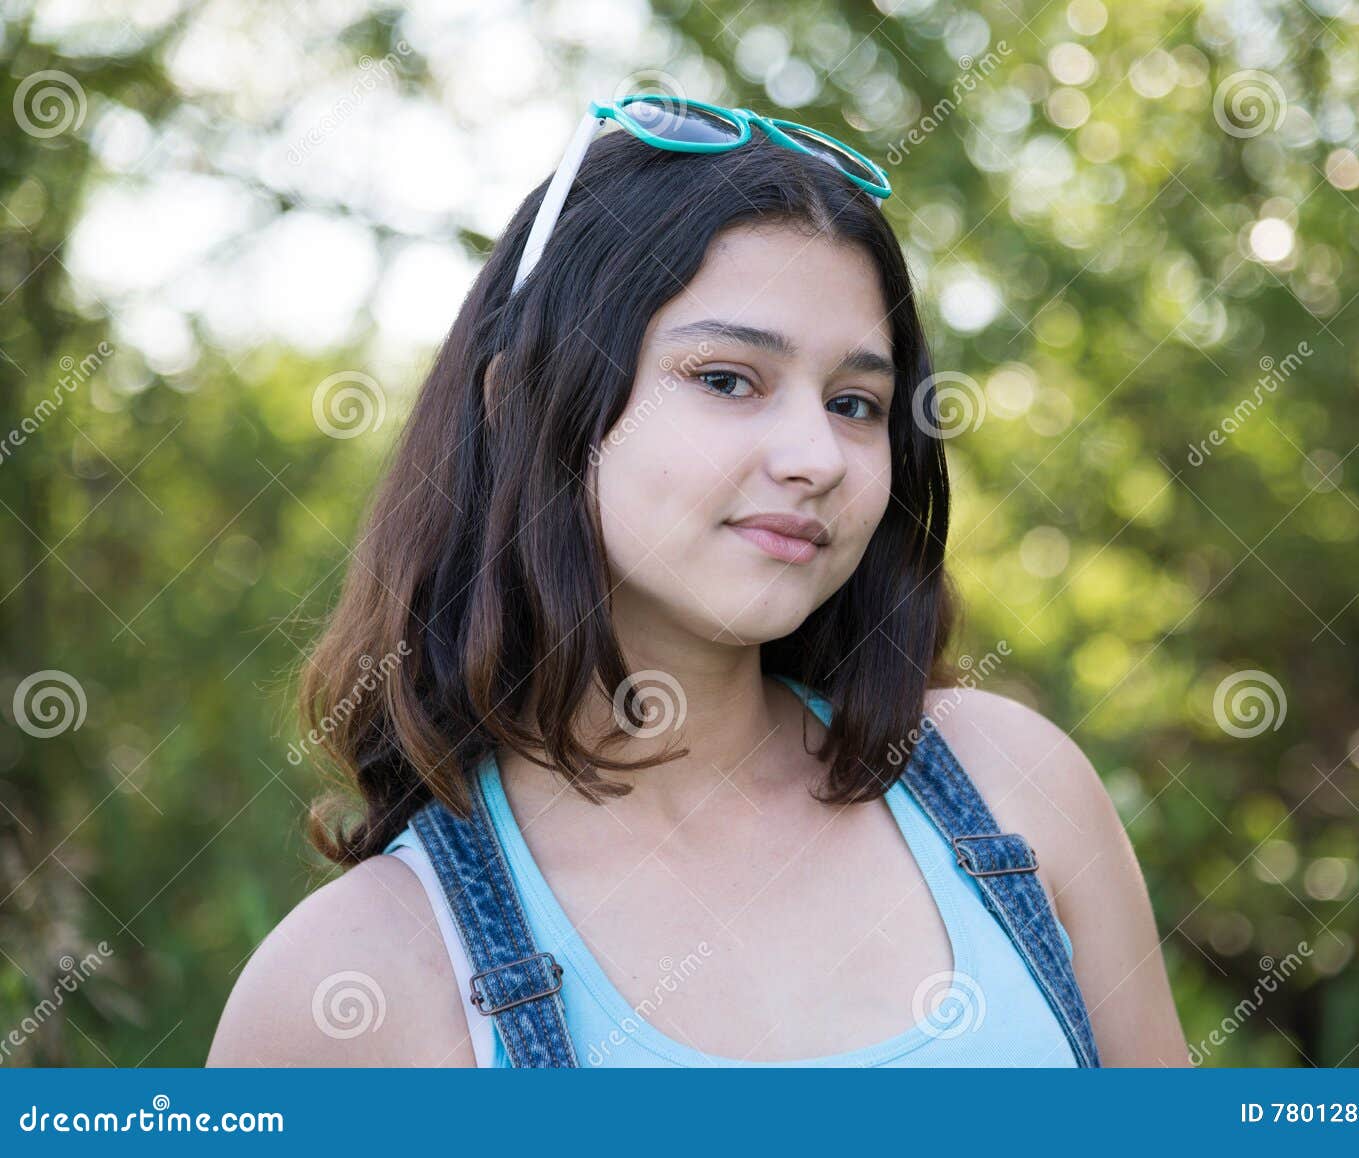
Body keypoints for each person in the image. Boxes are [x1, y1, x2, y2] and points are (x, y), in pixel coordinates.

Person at [208, 96, 1188, 1068]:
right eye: (727, 379)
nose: (819, 456)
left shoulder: (1010, 785)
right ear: (519, 403)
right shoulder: (353, 979)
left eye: (856, 402)